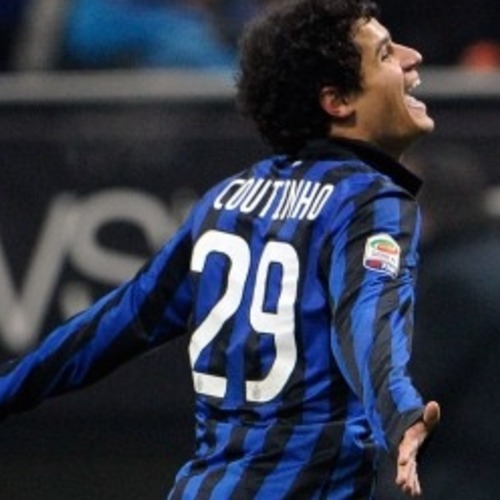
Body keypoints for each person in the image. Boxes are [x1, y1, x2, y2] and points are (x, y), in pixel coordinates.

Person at [0, 0, 440, 498]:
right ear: (337, 100)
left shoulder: (225, 199)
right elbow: (368, 315)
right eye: (385, 54)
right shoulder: (371, 201)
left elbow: (117, 320)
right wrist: (399, 409)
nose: (412, 57)